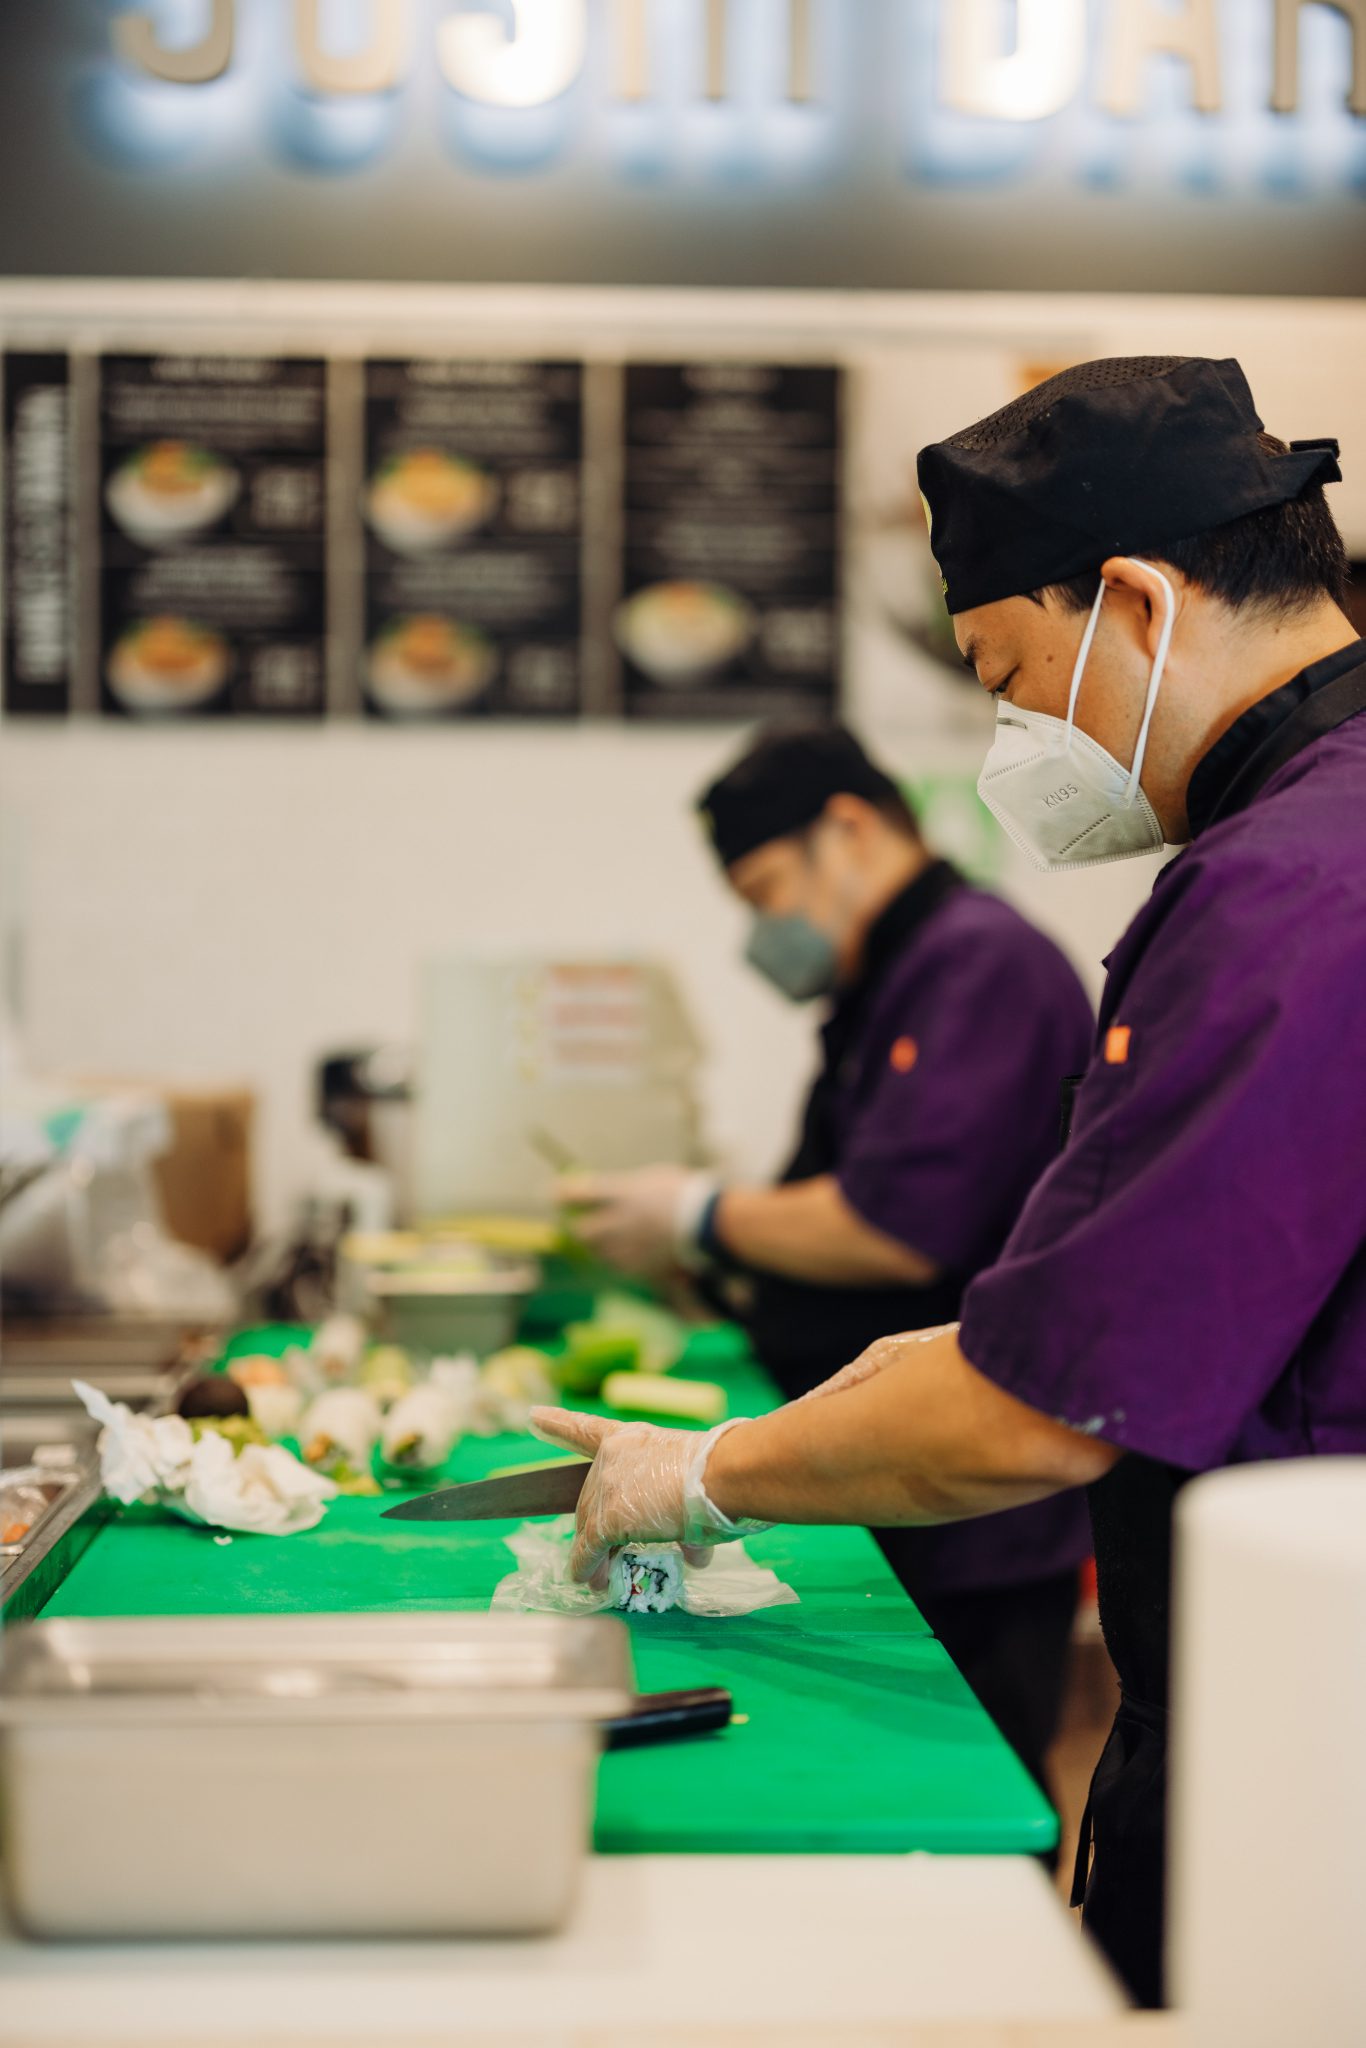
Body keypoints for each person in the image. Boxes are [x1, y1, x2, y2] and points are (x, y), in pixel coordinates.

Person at [533, 356, 1366, 2008]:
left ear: (1135, 600)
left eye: (1006, 677)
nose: (1013, 739)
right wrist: (907, 1366)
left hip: (1306, 1706)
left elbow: (1049, 1409)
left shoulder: (1289, 891)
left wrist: (705, 1467)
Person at [561, 725, 1095, 1796]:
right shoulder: (883, 980)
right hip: (878, 1464)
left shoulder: (976, 963)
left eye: (764, 890)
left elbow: (893, 1224)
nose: (763, 930)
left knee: (957, 1795)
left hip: (965, 1496)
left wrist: (697, 1212)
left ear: (846, 828)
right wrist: (707, 1256)